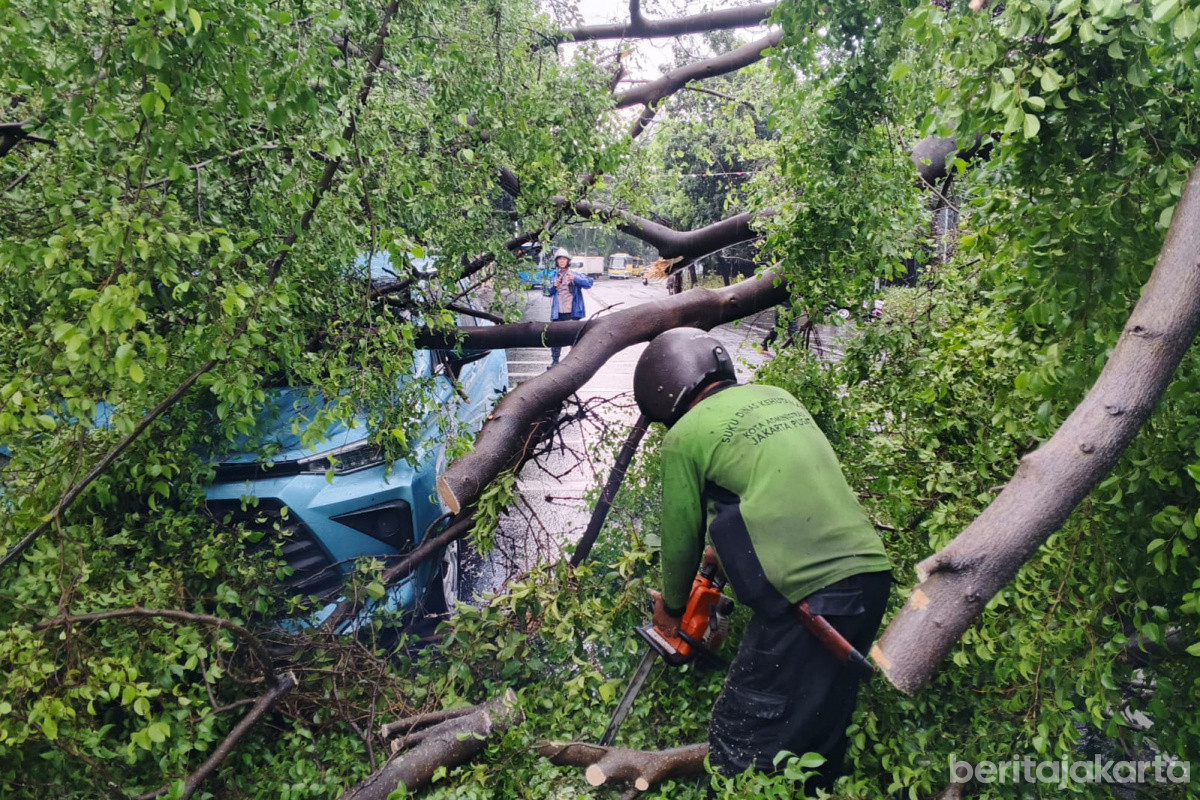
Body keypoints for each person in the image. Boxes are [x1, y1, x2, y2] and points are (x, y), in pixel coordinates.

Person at [631, 327, 891, 794]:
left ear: (662, 394)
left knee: (741, 738)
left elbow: (679, 543)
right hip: (869, 577)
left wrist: (672, 612)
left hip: (812, 605)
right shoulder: (777, 397)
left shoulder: (685, 436)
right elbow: (777, 494)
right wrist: (721, 556)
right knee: (822, 731)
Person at [546, 247, 593, 368]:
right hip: (558, 312)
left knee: (574, 337)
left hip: (572, 312)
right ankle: (555, 361)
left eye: (564, 259)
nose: (562, 261)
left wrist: (576, 279)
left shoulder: (574, 274)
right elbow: (546, 292)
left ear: (568, 261)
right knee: (555, 337)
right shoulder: (553, 277)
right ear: (556, 261)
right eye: (559, 259)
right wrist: (553, 286)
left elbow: (589, 283)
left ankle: (575, 362)